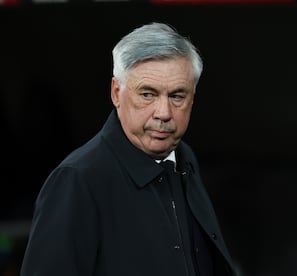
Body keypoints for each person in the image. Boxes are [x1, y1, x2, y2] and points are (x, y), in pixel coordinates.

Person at [20, 22, 237, 276]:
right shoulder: (78, 180)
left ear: (193, 98)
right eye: (147, 94)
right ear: (116, 93)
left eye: (177, 96)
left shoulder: (183, 158)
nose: (164, 113)